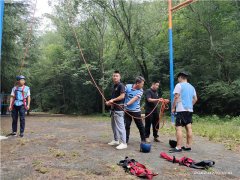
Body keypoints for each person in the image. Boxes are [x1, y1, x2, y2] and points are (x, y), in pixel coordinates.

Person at [170, 72, 197, 152]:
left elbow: (176, 97)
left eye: (178, 78)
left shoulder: (179, 85)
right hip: (189, 110)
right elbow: (195, 99)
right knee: (189, 127)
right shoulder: (192, 87)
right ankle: (188, 146)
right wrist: (190, 105)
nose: (178, 80)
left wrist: (173, 108)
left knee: (178, 128)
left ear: (181, 77)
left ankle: (178, 147)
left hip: (181, 109)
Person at [106, 71, 127, 150]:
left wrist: (112, 100)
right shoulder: (114, 86)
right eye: (114, 76)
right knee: (114, 126)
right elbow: (113, 99)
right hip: (113, 109)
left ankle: (124, 143)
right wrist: (109, 102)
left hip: (119, 110)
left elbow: (122, 96)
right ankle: (116, 140)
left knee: (120, 126)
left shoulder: (121, 85)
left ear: (120, 77)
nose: (115, 77)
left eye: (117, 76)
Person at [124, 76, 146, 143]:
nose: (142, 85)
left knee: (140, 126)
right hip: (127, 111)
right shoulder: (127, 86)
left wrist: (126, 104)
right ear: (137, 83)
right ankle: (126, 140)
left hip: (136, 111)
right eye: (142, 84)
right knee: (126, 125)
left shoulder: (141, 90)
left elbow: (134, 99)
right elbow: (123, 95)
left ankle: (143, 139)